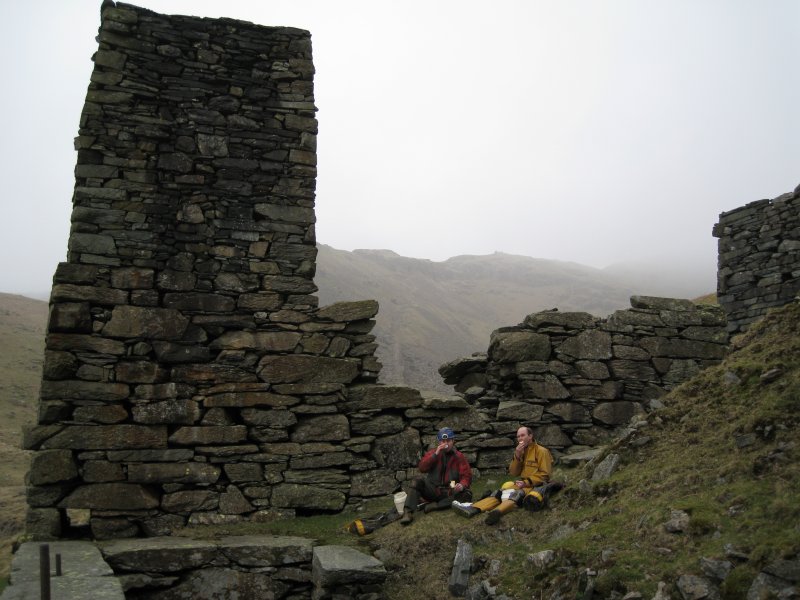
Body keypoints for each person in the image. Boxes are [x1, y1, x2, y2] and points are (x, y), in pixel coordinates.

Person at [452, 426, 552, 525]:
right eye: (518, 436)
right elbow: (514, 472)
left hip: (536, 485)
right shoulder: (520, 451)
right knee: (498, 493)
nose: (520, 438)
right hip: (522, 483)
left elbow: (545, 475)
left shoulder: (542, 451)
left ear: (530, 436)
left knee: (517, 495)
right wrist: (517, 456)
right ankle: (473, 509)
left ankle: (497, 512)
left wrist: (526, 482)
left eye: (523, 435)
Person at [399, 427, 472, 525]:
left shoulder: (459, 457)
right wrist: (435, 455)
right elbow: (422, 468)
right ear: (439, 442)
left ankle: (436, 506)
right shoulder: (433, 453)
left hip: (449, 489)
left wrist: (462, 485)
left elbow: (466, 476)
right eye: (443, 441)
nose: (445, 443)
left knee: (466, 494)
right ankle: (407, 512)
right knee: (417, 481)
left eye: (448, 441)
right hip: (432, 489)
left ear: (453, 441)